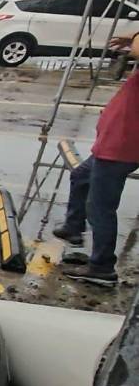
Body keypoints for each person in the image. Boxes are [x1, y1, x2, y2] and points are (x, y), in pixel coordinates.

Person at [54, 33, 139, 286]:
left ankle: (102, 267)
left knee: (100, 207)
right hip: (114, 143)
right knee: (81, 176)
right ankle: (73, 227)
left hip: (120, 147)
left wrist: (135, 36)